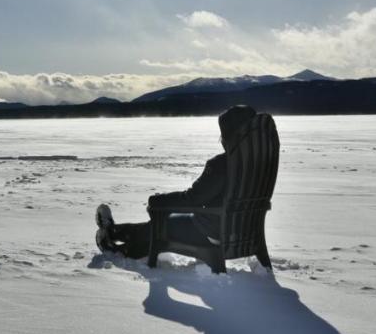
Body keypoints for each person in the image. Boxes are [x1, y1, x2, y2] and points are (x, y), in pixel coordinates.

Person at [94, 105, 257, 259]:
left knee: (161, 224)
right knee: (163, 225)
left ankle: (112, 236)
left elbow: (193, 198)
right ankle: (116, 239)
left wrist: (159, 201)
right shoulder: (260, 162)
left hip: (213, 231)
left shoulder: (221, 164)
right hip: (245, 230)